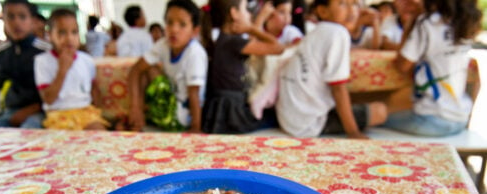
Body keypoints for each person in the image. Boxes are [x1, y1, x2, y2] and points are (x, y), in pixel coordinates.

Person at [275, 0, 387, 139]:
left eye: (355, 4)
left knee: (356, 101)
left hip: (289, 119)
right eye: (342, 3)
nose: (352, 10)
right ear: (323, 11)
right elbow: (338, 88)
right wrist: (353, 132)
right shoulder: (337, 33)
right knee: (380, 111)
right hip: (309, 124)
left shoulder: (319, 30)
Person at [383, 0, 482, 136]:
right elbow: (477, 82)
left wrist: (413, 20)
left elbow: (402, 65)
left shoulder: (429, 22)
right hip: (460, 118)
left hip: (431, 119)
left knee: (375, 118)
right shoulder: (464, 21)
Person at [201, 0, 284, 134]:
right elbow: (278, 48)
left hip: (221, 105)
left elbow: (251, 43)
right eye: (245, 9)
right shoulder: (233, 42)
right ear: (234, 13)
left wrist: (257, 22)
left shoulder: (224, 40)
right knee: (274, 118)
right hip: (232, 110)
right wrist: (251, 28)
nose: (249, 15)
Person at [126, 0, 207, 132]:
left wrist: (196, 128)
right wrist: (135, 106)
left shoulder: (195, 53)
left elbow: (194, 93)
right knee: (146, 70)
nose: (174, 29)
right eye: (169, 23)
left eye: (182, 24)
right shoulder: (164, 44)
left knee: (151, 71)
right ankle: (138, 117)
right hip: (169, 103)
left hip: (182, 116)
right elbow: (135, 70)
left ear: (194, 31)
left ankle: (141, 121)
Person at [34, 8, 109, 130]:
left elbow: (94, 91)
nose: (69, 38)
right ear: (49, 35)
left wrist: (99, 110)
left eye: (74, 32)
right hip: (58, 115)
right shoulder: (42, 61)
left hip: (85, 112)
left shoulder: (86, 60)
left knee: (99, 135)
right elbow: (48, 99)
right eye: (62, 32)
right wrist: (62, 70)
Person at [0, 0, 51, 128]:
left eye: (22, 17)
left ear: (33, 21)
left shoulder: (46, 51)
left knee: (29, 129)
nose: (16, 22)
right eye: (10, 17)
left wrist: (29, 111)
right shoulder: (1, 53)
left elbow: (53, 92)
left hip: (41, 110)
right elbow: (2, 89)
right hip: (12, 111)